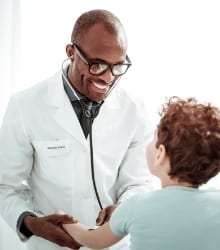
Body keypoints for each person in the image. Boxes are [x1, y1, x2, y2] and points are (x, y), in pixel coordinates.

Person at [0, 9, 153, 250]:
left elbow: (138, 183)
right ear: (71, 53)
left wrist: (124, 209)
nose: (108, 77)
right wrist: (31, 223)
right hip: (49, 246)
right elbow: (5, 185)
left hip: (113, 245)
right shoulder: (25, 106)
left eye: (118, 67)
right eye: (97, 65)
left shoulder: (134, 110)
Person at [59, 96, 220, 250]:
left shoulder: (136, 206)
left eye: (153, 139)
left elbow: (92, 240)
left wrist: (64, 220)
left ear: (160, 154)